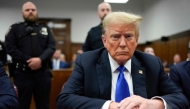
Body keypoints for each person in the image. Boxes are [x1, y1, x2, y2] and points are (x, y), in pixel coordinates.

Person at [56, 12, 189, 109]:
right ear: (104, 41)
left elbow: (181, 99)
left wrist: (153, 104)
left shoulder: (152, 64)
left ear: (136, 40)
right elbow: (64, 99)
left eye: (129, 36)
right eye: (115, 37)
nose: (123, 43)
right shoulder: (86, 62)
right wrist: (109, 106)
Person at [5, 2, 55, 109]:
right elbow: (10, 47)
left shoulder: (45, 28)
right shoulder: (15, 29)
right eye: (27, 10)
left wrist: (40, 60)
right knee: (21, 105)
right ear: (22, 13)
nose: (30, 12)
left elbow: (51, 47)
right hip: (22, 74)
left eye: (33, 9)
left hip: (42, 74)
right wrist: (29, 60)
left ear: (37, 12)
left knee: (44, 105)